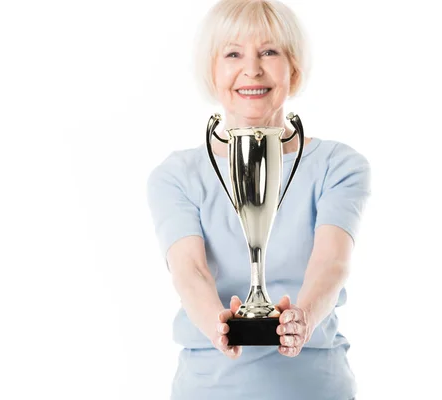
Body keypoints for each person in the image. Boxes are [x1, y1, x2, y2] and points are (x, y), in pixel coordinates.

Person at [146, 1, 371, 399]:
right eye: (233, 53)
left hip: (314, 389)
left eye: (270, 51)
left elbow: (332, 263)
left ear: (294, 67)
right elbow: (190, 272)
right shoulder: (176, 175)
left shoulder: (339, 165)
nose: (252, 69)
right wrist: (218, 325)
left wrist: (302, 319)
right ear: (211, 71)